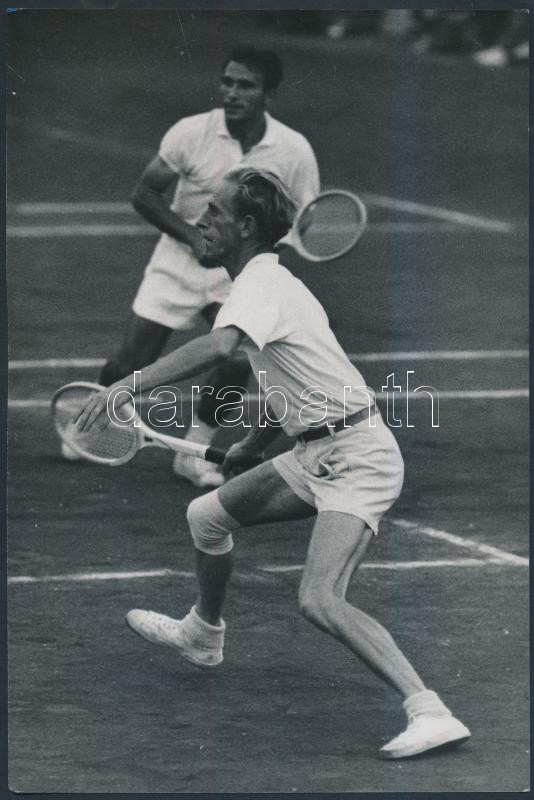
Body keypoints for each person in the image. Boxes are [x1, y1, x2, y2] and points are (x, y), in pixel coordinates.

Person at [76, 168, 470, 759]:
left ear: (246, 227)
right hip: (314, 450)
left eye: (214, 213)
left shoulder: (261, 284)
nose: (201, 222)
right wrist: (253, 446)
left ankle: (429, 710)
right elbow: (291, 380)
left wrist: (127, 386)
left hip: (357, 459)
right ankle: (203, 634)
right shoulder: (262, 286)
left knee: (320, 599)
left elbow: (218, 348)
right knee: (206, 516)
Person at [74, 45, 320, 489]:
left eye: (245, 85)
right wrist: (193, 238)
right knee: (132, 362)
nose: (232, 93)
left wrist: (262, 256)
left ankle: (193, 451)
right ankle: (89, 420)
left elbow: (302, 217)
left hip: (237, 274)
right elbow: (145, 194)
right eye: (227, 82)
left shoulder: (294, 150)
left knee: (239, 359)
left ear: (270, 94)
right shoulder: (190, 133)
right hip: (177, 264)